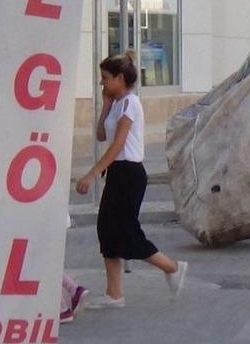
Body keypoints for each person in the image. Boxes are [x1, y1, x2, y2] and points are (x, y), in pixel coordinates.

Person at [76, 53, 188, 309]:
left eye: (105, 79)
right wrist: (105, 104)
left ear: (120, 78)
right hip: (117, 173)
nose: (102, 83)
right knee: (106, 229)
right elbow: (102, 134)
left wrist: (92, 173)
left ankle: (172, 267)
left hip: (129, 173)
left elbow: (118, 144)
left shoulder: (132, 103)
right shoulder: (116, 103)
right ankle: (114, 294)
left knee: (126, 230)